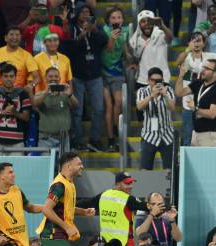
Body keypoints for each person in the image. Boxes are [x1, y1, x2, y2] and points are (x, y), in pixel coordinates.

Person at [78, 172, 149, 246]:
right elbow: (146, 206)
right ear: (117, 184)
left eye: (131, 183)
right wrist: (158, 206)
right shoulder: (129, 199)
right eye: (127, 183)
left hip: (106, 244)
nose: (130, 186)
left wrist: (67, 205)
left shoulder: (104, 195)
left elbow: (87, 202)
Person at [65, 2, 107, 151]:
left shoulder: (97, 27)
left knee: (99, 109)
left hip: (95, 75)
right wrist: (82, 34)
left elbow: (104, 42)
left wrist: (94, 30)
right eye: (82, 12)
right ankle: (77, 139)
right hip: (77, 75)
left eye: (87, 12)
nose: (85, 14)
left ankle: (95, 139)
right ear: (76, 14)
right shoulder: (71, 29)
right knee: (76, 111)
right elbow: (68, 49)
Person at [174, 32, 216, 145]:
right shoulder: (186, 57)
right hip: (188, 103)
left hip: (204, 104)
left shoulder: (209, 57)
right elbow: (177, 62)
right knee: (188, 137)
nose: (196, 43)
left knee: (206, 136)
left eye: (199, 41)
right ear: (189, 43)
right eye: (193, 40)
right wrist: (188, 50)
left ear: (204, 43)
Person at [101, 6, 132, 152]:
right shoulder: (105, 31)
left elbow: (125, 50)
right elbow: (108, 49)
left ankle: (115, 126)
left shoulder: (125, 31)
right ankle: (111, 139)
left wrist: (132, 61)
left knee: (118, 102)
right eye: (113, 18)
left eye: (119, 17)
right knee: (108, 105)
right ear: (108, 20)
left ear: (123, 19)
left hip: (118, 71)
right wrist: (112, 38)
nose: (116, 20)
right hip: (103, 71)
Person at [0, 63, 31, 156]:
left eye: (11, 76)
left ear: (15, 77)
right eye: (5, 76)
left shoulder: (23, 94)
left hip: (17, 143)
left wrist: (14, 112)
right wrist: (3, 112)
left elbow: (26, 117)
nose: (9, 79)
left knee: (16, 169)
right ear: (1, 77)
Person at [136, 67, 176, 170]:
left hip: (167, 135)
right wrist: (152, 95)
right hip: (149, 135)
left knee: (169, 171)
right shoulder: (142, 91)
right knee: (145, 170)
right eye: (154, 80)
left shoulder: (168, 90)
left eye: (159, 80)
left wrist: (165, 95)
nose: (157, 83)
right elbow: (139, 107)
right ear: (148, 81)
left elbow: (172, 107)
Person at [32, 66, 77, 155]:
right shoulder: (40, 94)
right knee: (46, 166)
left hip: (63, 138)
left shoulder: (65, 94)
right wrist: (45, 93)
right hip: (46, 139)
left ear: (60, 78)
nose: (54, 79)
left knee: (63, 166)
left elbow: (76, 105)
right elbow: (35, 104)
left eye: (56, 77)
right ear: (45, 78)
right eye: (50, 76)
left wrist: (70, 94)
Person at [128, 10, 173, 88]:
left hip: (162, 79)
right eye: (143, 21)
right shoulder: (134, 40)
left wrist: (162, 26)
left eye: (149, 21)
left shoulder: (161, 34)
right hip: (142, 80)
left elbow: (170, 38)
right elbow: (135, 58)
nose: (146, 24)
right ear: (139, 24)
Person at [0, 26, 39, 91]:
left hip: (18, 92)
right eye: (11, 35)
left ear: (20, 38)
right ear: (5, 38)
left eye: (17, 35)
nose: (14, 37)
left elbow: (37, 78)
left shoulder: (27, 55)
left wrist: (31, 85)